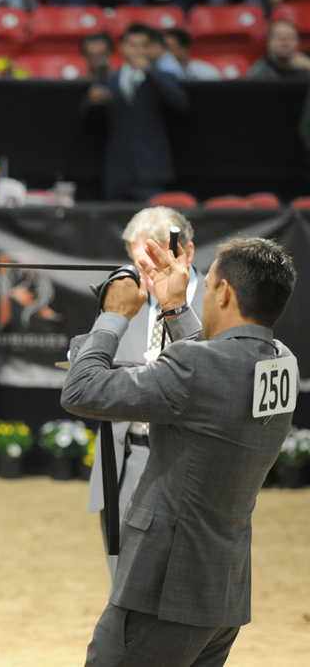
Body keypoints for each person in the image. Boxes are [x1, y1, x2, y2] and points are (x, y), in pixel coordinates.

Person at [62, 236, 297, 667]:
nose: (201, 296)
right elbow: (218, 373)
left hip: (162, 591)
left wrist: (113, 316)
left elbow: (81, 391)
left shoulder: (196, 367)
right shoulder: (282, 362)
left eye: (205, 288)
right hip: (222, 593)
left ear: (224, 293)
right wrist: (173, 306)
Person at [87, 208, 205, 580]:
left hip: (188, 462)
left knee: (180, 583)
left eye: (152, 263)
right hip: (124, 458)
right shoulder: (125, 299)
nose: (145, 275)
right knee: (122, 581)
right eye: (138, 264)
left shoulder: (218, 303)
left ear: (185, 252)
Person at [82, 23, 189, 201]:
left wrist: (149, 71)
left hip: (151, 172)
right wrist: (91, 104)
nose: (136, 50)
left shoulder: (161, 78)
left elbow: (180, 104)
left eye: (142, 45)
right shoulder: (108, 81)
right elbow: (90, 125)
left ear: (151, 49)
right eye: (131, 44)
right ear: (122, 47)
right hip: (117, 173)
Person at [246, 21, 310, 81]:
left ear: (298, 42)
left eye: (290, 38)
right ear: (268, 42)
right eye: (280, 39)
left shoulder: (305, 69)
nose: (285, 43)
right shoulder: (258, 75)